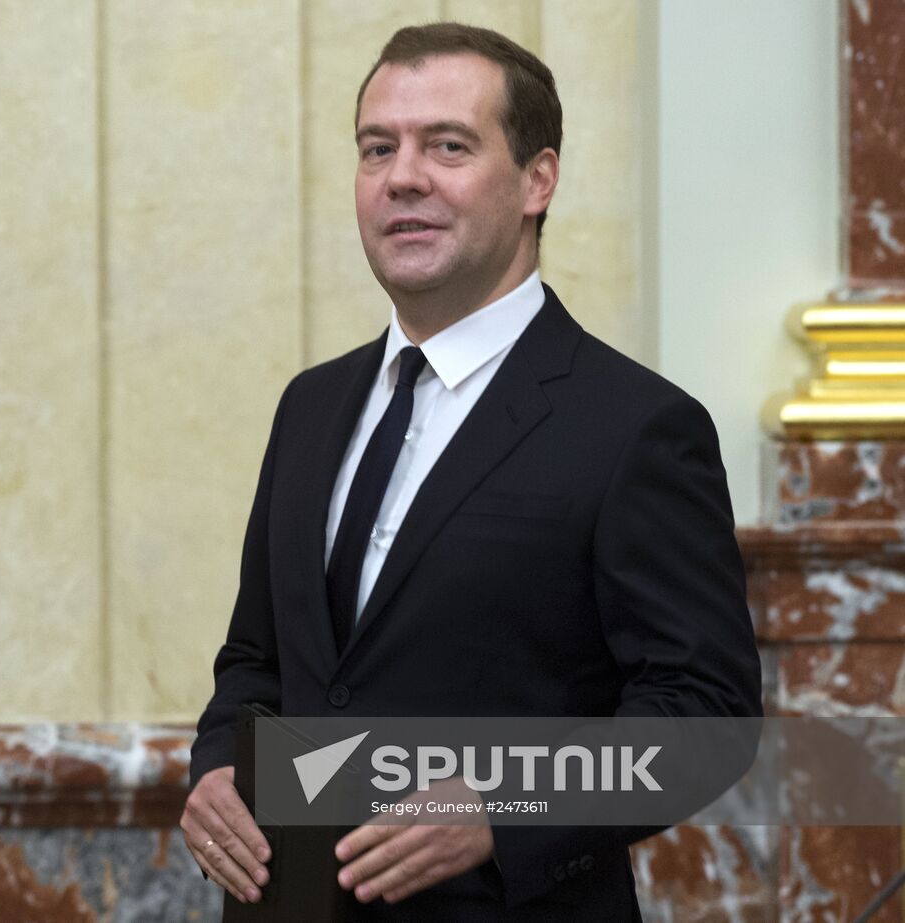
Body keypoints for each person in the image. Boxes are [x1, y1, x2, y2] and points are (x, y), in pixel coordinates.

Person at [179, 21, 761, 922]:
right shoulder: (310, 407)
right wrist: (218, 762)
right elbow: (258, 663)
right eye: (379, 149)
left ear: (539, 179)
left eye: (447, 145)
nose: (402, 176)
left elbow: (705, 716)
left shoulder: (637, 426)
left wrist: (504, 808)